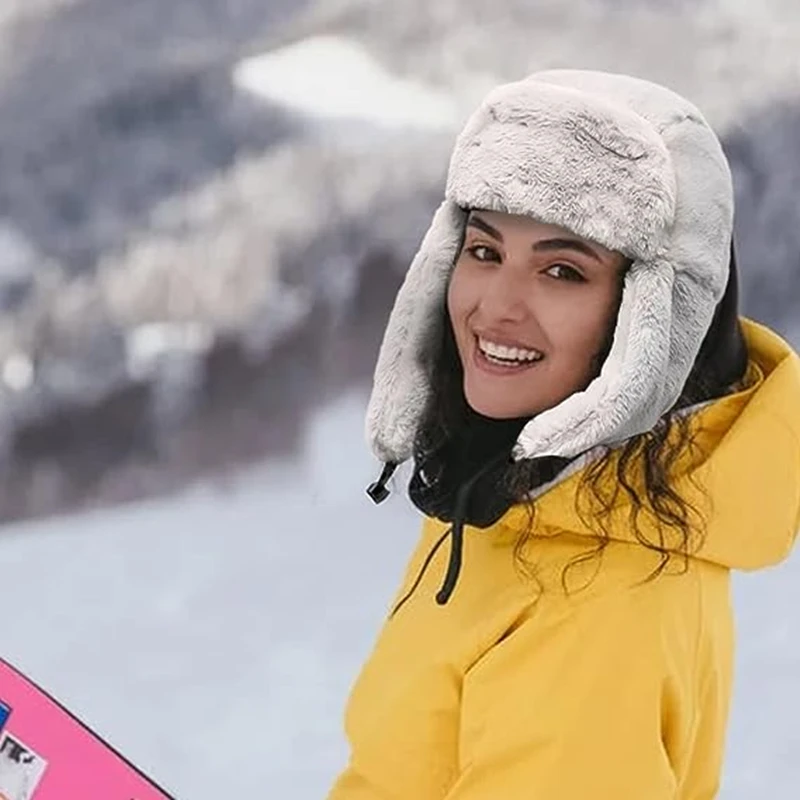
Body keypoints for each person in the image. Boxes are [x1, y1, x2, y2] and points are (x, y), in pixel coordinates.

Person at [327, 69, 800, 799]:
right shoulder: (516, 490)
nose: (497, 308)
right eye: (484, 251)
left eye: (561, 270)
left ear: (650, 320)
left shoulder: (598, 609)